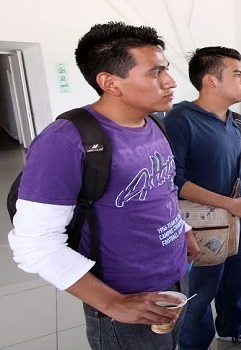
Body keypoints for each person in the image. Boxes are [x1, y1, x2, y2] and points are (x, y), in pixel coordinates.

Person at [7, 22, 200, 349]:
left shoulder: (154, 122)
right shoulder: (65, 141)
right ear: (110, 82)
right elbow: (34, 244)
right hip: (127, 293)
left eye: (165, 69)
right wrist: (111, 303)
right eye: (155, 73)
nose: (170, 81)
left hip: (174, 274)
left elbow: (159, 191)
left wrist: (182, 229)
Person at [163, 47, 241, 348]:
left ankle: (231, 327)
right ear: (210, 80)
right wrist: (228, 204)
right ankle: (194, 343)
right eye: (237, 74)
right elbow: (175, 179)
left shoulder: (236, 121)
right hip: (201, 225)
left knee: (236, 282)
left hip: (239, 220)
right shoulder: (180, 119)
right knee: (199, 294)